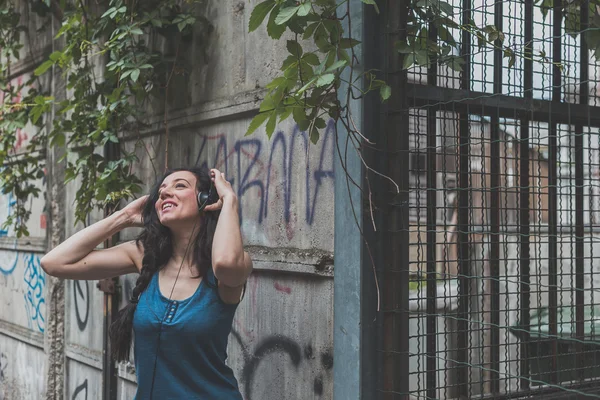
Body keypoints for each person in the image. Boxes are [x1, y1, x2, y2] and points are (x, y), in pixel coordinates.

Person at [40, 167, 252, 399]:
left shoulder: (225, 266)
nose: (165, 193)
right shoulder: (145, 257)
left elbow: (226, 265)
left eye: (179, 186)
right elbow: (53, 263)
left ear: (206, 200)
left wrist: (229, 200)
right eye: (161, 190)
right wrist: (124, 217)